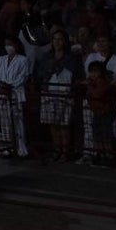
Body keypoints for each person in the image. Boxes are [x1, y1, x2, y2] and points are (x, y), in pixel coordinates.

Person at [36, 29, 83, 162]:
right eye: (55, 39)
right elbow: (40, 74)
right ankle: (57, 150)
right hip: (49, 93)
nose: (57, 42)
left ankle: (65, 152)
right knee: (53, 124)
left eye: (60, 39)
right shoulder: (47, 57)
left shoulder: (72, 58)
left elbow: (76, 75)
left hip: (64, 94)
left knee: (64, 125)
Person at [0, 37, 31, 157]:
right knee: (5, 122)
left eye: (10, 44)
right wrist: (1, 86)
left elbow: (24, 76)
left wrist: (10, 86)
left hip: (16, 94)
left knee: (18, 122)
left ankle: (21, 149)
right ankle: (7, 147)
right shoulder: (1, 59)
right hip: (2, 94)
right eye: (6, 44)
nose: (8, 46)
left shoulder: (23, 60)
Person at [84, 60, 116, 167]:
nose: (93, 74)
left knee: (106, 135)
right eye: (91, 72)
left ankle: (109, 156)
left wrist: (89, 86)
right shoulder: (92, 81)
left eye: (96, 71)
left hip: (105, 112)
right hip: (97, 112)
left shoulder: (103, 82)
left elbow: (98, 94)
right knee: (97, 134)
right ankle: (100, 154)